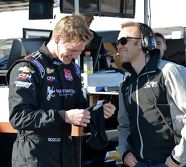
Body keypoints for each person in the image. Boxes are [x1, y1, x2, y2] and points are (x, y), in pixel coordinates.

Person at [7, 14, 116, 167]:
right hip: (34, 157)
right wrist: (63, 116)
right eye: (72, 50)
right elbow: (18, 117)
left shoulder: (73, 69)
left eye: (80, 51)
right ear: (57, 38)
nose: (75, 56)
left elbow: (79, 109)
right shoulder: (28, 68)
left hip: (66, 154)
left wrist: (98, 111)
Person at [117, 21, 186, 167]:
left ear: (144, 43)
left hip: (171, 163)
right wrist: (124, 152)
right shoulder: (126, 84)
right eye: (118, 42)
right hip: (139, 163)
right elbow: (123, 124)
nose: (119, 46)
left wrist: (179, 157)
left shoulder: (170, 71)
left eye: (124, 41)